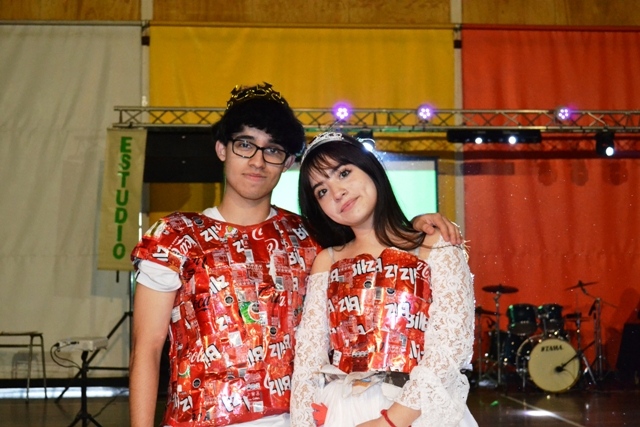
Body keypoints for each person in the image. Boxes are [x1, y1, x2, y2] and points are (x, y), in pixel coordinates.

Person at [129, 83, 464, 427]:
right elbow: (147, 348)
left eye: (272, 150)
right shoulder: (175, 237)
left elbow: (370, 242)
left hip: (298, 418)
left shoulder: (309, 237)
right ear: (221, 148)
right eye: (245, 145)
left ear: (287, 162)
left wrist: (415, 227)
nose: (257, 161)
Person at [290, 132, 476, 427]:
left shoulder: (435, 245)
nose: (337, 192)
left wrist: (391, 421)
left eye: (344, 173)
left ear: (371, 169)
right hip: (341, 412)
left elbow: (451, 348)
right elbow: (307, 363)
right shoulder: (328, 261)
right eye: (321, 191)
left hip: (418, 413)